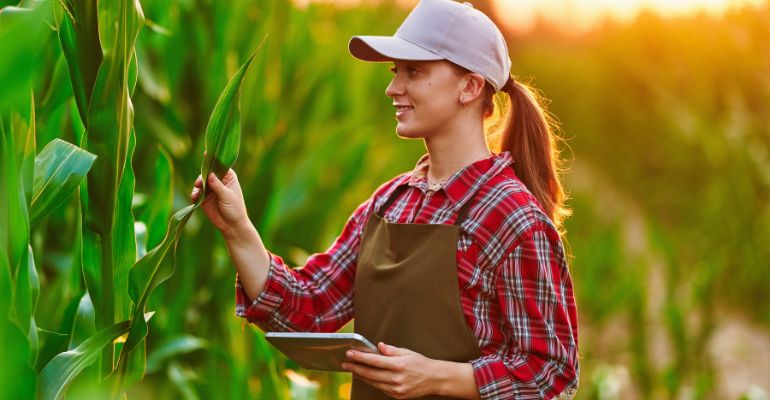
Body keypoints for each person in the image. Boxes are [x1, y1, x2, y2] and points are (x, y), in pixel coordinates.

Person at [190, 0, 579, 398]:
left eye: (414, 71)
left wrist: (436, 377)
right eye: (396, 72)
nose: (393, 87)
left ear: (470, 86)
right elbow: (306, 309)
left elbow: (552, 375)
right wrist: (237, 229)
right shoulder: (390, 203)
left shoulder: (513, 218)